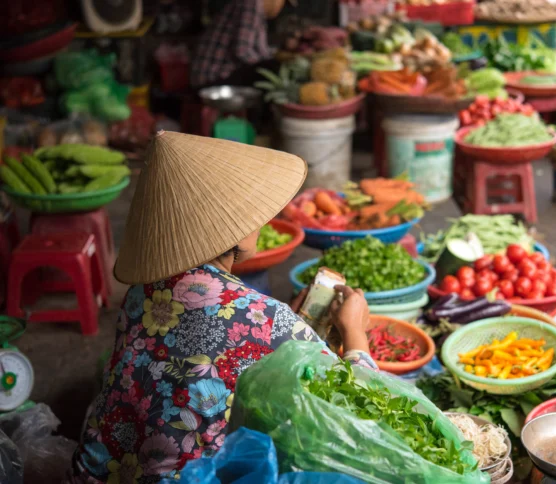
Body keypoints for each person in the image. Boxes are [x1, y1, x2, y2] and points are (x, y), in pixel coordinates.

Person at [67, 131, 375, 483]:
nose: (262, 218)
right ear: (229, 229)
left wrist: (281, 317)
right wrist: (354, 332)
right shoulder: (267, 319)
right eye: (253, 210)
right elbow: (356, 403)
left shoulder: (142, 292)